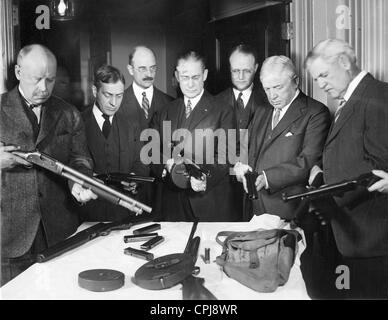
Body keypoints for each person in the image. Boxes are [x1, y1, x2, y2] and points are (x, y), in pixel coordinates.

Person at [0, 44, 96, 286]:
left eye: (50, 80)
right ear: (18, 72)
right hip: (9, 236)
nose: (43, 88)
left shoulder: (68, 113)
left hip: (60, 232)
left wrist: (78, 182)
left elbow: (81, 159)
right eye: (37, 79)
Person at [305, 38, 388, 299]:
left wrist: (328, 192)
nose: (320, 84)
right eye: (316, 78)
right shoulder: (351, 101)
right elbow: (350, 152)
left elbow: (379, 165)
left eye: (324, 75)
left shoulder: (377, 96)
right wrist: (321, 170)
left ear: (344, 62)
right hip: (351, 233)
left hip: (371, 239)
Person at [234, 55, 330, 221]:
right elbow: (245, 148)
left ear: (296, 82)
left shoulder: (315, 112)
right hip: (255, 208)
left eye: (278, 87)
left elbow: (308, 160)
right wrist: (239, 165)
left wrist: (267, 177)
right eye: (267, 89)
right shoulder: (262, 110)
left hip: (290, 208)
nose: (272, 96)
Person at [151, 51, 239, 222]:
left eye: (195, 77)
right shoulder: (165, 111)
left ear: (205, 75)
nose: (190, 84)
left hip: (208, 202)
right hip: (172, 204)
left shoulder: (223, 111)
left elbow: (227, 155)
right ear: (177, 76)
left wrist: (204, 176)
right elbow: (152, 149)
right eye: (185, 77)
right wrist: (165, 166)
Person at [80, 65, 149, 221]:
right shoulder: (78, 123)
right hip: (88, 216)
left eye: (119, 95)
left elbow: (141, 162)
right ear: (94, 91)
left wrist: (135, 179)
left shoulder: (132, 124)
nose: (114, 103)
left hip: (125, 214)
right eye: (108, 95)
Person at [216, 44, 267, 219]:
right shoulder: (215, 102)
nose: (240, 76)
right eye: (235, 71)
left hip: (257, 184)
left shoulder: (268, 100)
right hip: (223, 186)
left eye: (246, 71)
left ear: (256, 68)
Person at [119, 46, 173, 131]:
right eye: (142, 69)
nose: (149, 74)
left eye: (153, 68)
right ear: (130, 70)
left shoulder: (171, 103)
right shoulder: (117, 103)